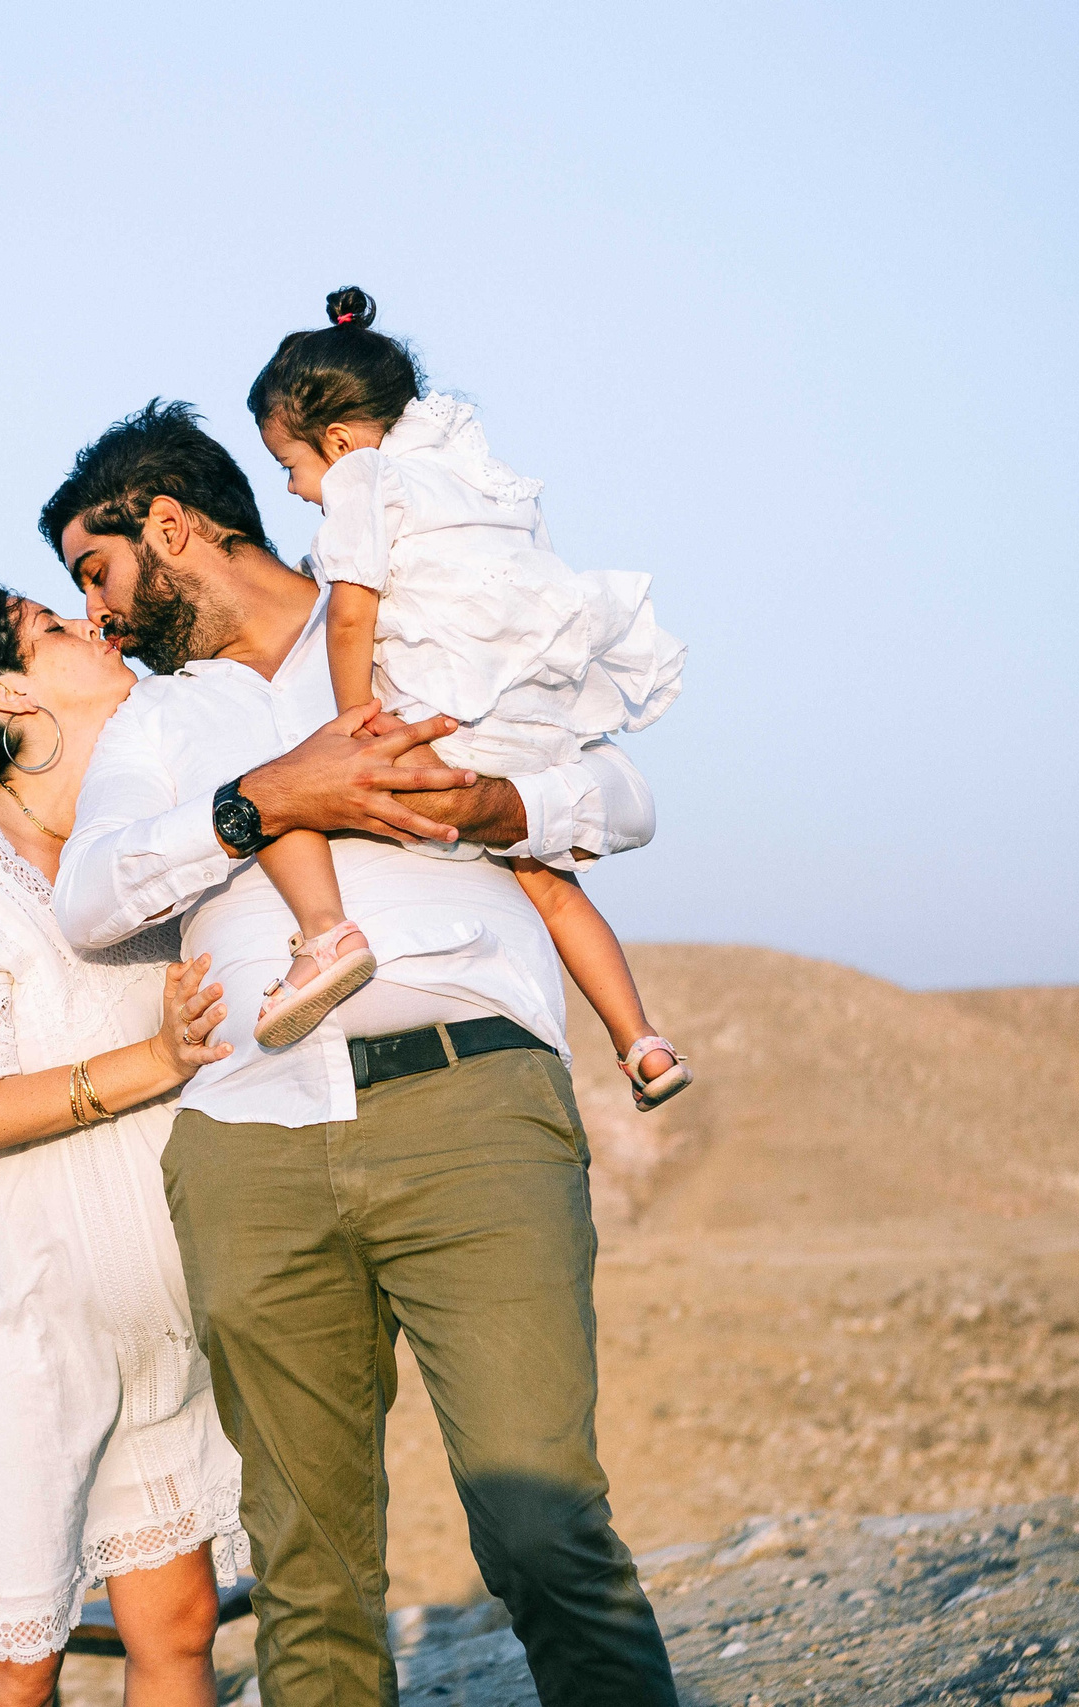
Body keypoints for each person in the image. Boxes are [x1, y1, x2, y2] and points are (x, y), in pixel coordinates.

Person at [43, 403, 682, 1707]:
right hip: (251, 1149)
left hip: (472, 1104)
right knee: (309, 1571)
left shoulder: (411, 617)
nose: (99, 619)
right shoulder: (159, 728)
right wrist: (266, 799)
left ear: (171, 525)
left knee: (545, 1530)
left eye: (98, 574)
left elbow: (626, 796)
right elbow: (93, 895)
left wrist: (515, 804)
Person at [0, 578, 251, 1707]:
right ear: (9, 694)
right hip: (10, 1303)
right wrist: (156, 1064)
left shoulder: (125, 848)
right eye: (55, 626)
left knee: (178, 1623)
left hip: (155, 1295)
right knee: (18, 1651)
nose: (95, 626)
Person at [238, 288, 692, 1114]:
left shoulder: (363, 481)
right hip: (537, 716)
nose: (299, 490)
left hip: (451, 715)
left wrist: (352, 721)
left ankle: (328, 937)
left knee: (276, 785)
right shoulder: (483, 475)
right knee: (551, 885)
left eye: (291, 468)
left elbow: (350, 613)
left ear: (337, 442)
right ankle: (642, 1041)